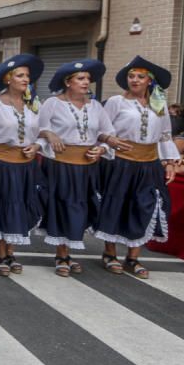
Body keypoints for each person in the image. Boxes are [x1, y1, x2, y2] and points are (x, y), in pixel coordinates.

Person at [93, 57, 181, 278]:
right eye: (131, 76)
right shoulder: (116, 102)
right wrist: (105, 147)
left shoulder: (158, 106)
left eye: (140, 77)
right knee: (116, 206)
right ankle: (109, 254)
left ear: (149, 81)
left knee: (145, 207)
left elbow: (164, 136)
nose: (134, 80)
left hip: (149, 165)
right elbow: (104, 131)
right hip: (120, 163)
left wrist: (169, 162)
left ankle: (133, 257)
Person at [37, 60, 124, 277]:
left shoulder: (95, 106)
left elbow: (106, 132)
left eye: (87, 79)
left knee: (83, 207)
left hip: (87, 166)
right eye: (80, 79)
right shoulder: (52, 103)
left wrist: (104, 147)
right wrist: (50, 134)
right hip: (61, 165)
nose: (86, 82)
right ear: (68, 82)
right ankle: (62, 254)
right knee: (63, 206)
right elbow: (38, 129)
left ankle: (70, 250)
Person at [0, 54, 45, 276]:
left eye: (27, 76)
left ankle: (11, 252)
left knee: (20, 205)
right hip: (0, 163)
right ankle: (1, 253)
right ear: (8, 79)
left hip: (25, 165)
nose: (25, 80)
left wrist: (37, 146)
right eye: (20, 75)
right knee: (3, 205)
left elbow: (44, 132)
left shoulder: (34, 105)